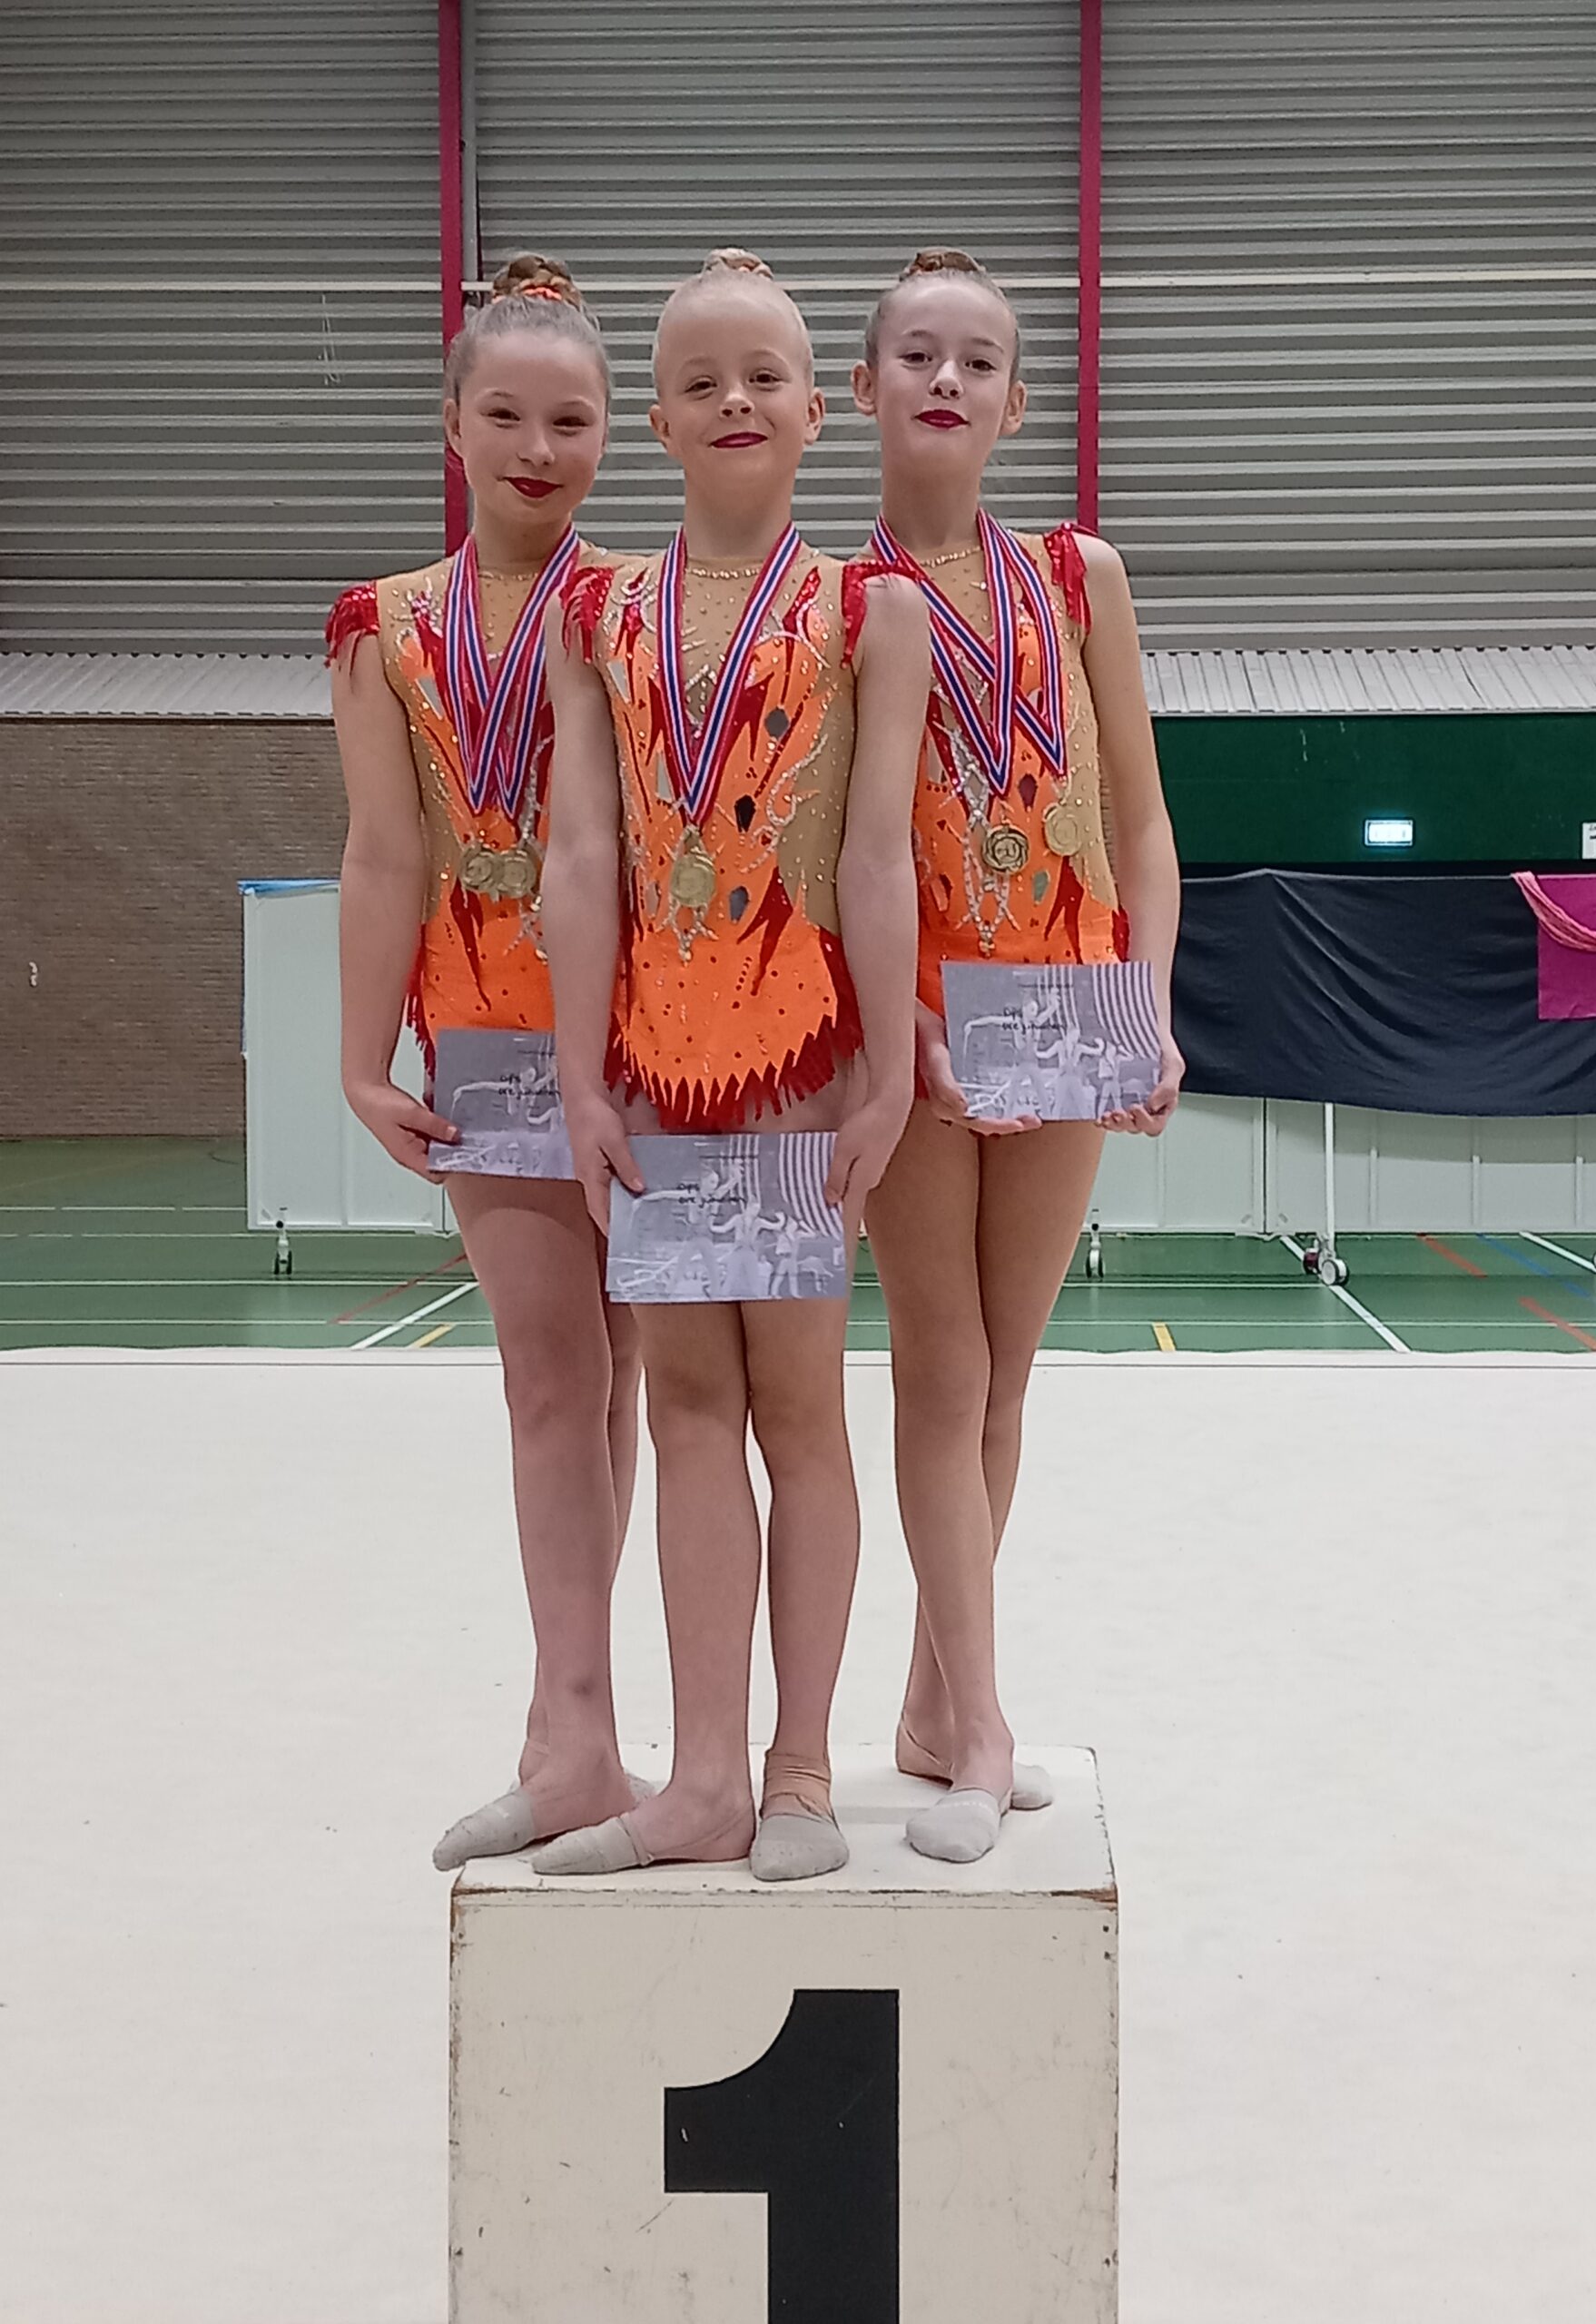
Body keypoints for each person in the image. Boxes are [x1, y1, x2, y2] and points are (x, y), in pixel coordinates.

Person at [531, 249, 931, 1883]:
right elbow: (578, 856)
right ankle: (701, 1775)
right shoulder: (598, 615)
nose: (736, 402)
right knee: (688, 1406)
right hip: (652, 1075)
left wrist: (887, 1075)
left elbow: (880, 855)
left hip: (801, 1069)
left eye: (765, 377)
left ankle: (801, 1767)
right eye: (699, 382)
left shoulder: (870, 614)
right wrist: (578, 1077)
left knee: (802, 1412)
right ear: (658, 422)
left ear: (820, 409)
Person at [853, 248, 1187, 1862]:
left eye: (976, 360)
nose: (946, 379)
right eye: (917, 354)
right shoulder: (833, 599)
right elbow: (822, 853)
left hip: (1065, 1017)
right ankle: (980, 1722)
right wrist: (893, 1019)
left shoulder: (1079, 577)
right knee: (944, 1362)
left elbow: (1142, 819)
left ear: (1018, 401)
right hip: (919, 1035)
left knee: (1012, 1366)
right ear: (861, 391)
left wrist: (1151, 1004)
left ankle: (938, 1704)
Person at [327, 254, 643, 1871]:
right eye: (506, 415)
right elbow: (385, 852)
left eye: (570, 421)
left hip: (647, 1038)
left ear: (611, 436)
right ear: (451, 422)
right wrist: (358, 1057)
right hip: (489, 1041)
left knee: (628, 1381)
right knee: (550, 1376)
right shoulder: (382, 629)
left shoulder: (643, 607)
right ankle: (570, 1730)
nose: (537, 447)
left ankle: (583, 1723)